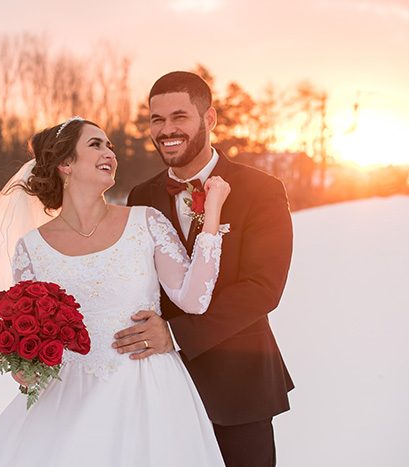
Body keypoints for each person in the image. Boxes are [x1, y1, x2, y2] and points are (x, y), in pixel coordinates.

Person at [0, 116, 231, 466]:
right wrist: (25, 368)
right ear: (66, 164)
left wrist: (212, 213)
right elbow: (27, 336)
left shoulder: (146, 222)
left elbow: (194, 298)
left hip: (147, 392)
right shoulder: (32, 248)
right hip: (67, 398)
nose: (110, 152)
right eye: (96, 144)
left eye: (110, 145)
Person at [118, 71, 294, 466]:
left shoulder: (261, 189)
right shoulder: (141, 196)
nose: (166, 130)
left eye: (179, 117)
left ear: (209, 119)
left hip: (239, 386)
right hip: (162, 384)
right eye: (156, 119)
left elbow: (262, 288)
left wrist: (175, 334)